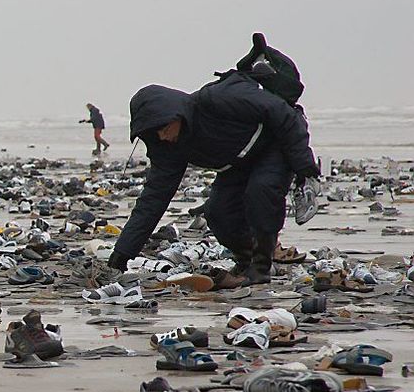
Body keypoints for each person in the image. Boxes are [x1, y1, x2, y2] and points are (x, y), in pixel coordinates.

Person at [107, 71, 319, 286]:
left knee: (262, 191)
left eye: (164, 128)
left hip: (276, 144)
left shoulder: (218, 99)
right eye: (154, 134)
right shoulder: (168, 147)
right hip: (237, 163)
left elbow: (285, 114)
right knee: (218, 213)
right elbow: (154, 198)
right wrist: (122, 255)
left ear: (176, 114)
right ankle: (246, 261)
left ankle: (261, 267)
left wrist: (305, 171)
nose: (162, 137)